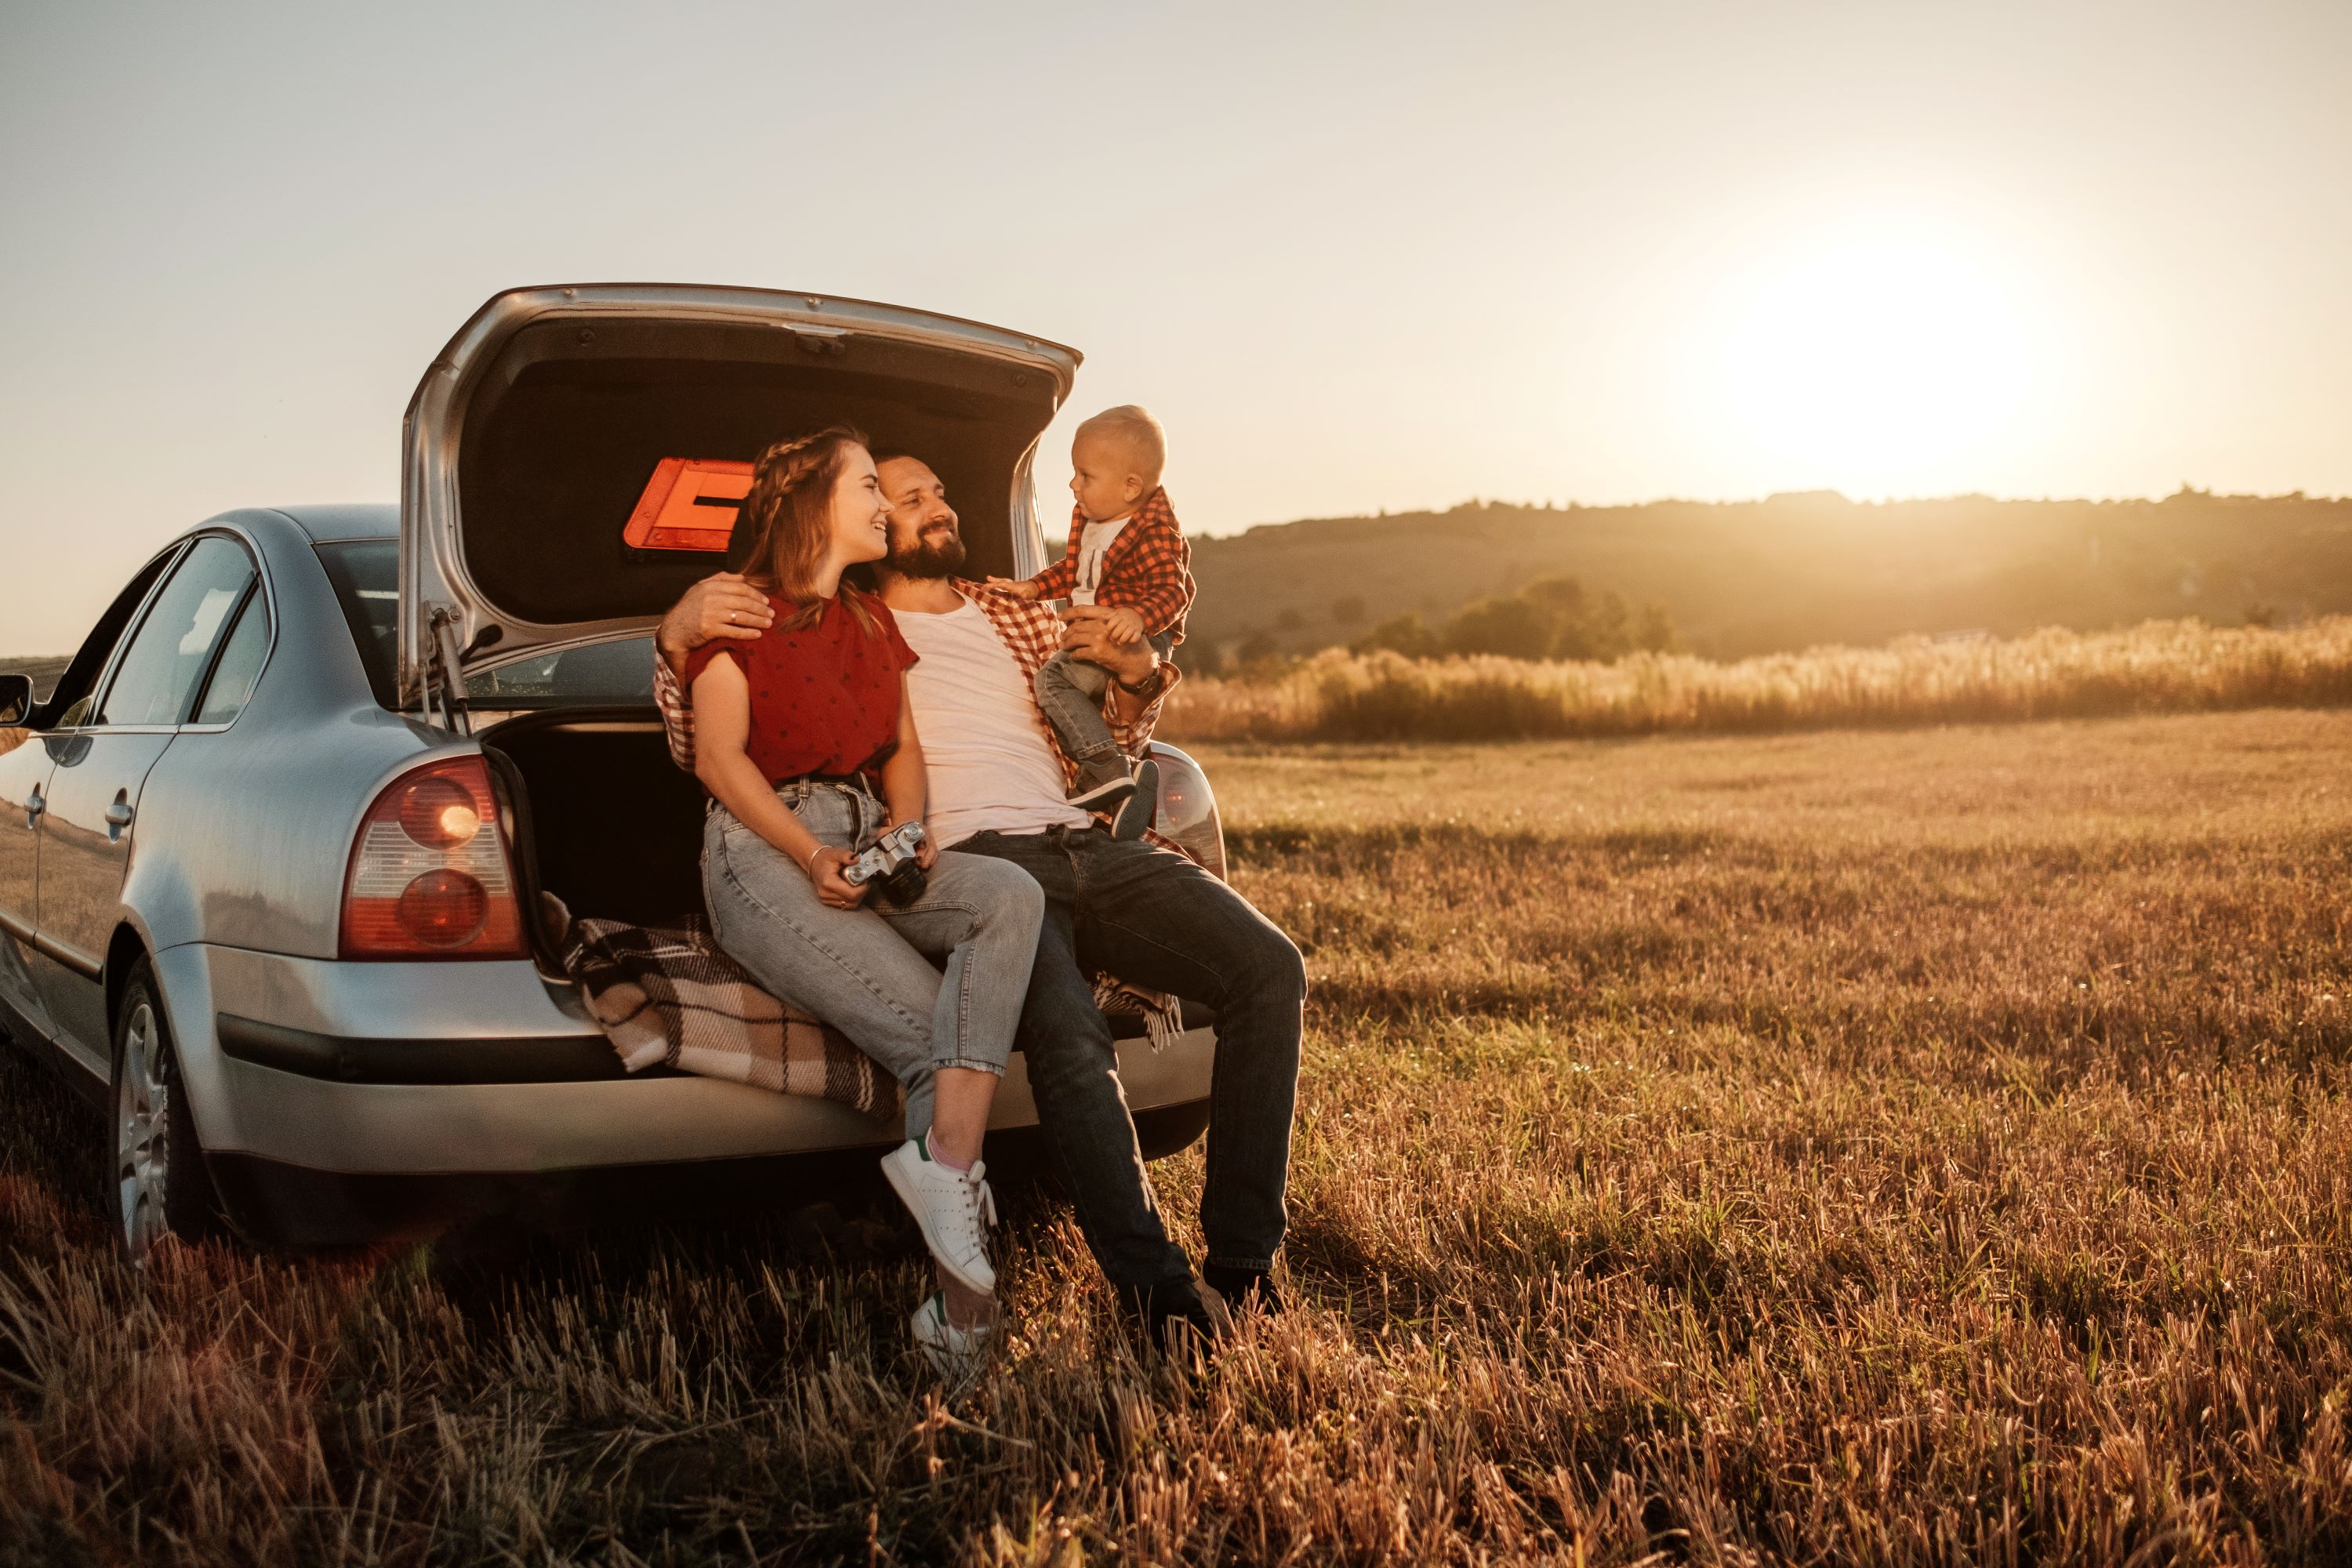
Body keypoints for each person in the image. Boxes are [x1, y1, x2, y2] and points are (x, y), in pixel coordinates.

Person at [655, 451, 1306, 1345]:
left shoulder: (1019, 608)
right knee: (1073, 1039)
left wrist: (1138, 668)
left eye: (939, 490)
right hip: (969, 857)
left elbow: (1121, 721)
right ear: (872, 522)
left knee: (1269, 966)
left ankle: (1245, 1261)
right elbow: (702, 726)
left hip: (1082, 838)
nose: (934, 505)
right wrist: (675, 629)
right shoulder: (848, 613)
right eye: (907, 495)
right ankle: (1156, 1291)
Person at [683, 426, 1046, 1373]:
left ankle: (939, 1174)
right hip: (764, 849)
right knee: (938, 1041)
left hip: (874, 836)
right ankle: (961, 1323)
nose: (885, 505)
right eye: (868, 488)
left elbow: (902, 748)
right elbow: (720, 760)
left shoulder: (874, 621)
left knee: (1007, 892)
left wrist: (914, 825)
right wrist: (810, 853)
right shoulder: (736, 613)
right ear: (813, 502)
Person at [986, 405, 1195, 841]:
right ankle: (1117, 790)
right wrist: (1032, 588)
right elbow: (1074, 572)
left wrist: (1138, 617)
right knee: (1065, 710)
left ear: (1130, 487)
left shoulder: (1153, 531)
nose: (1072, 484)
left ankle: (1105, 767)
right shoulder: (1096, 519)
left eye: (1085, 475)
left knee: (1052, 685)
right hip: (1100, 631)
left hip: (1133, 636)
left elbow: (1174, 591)